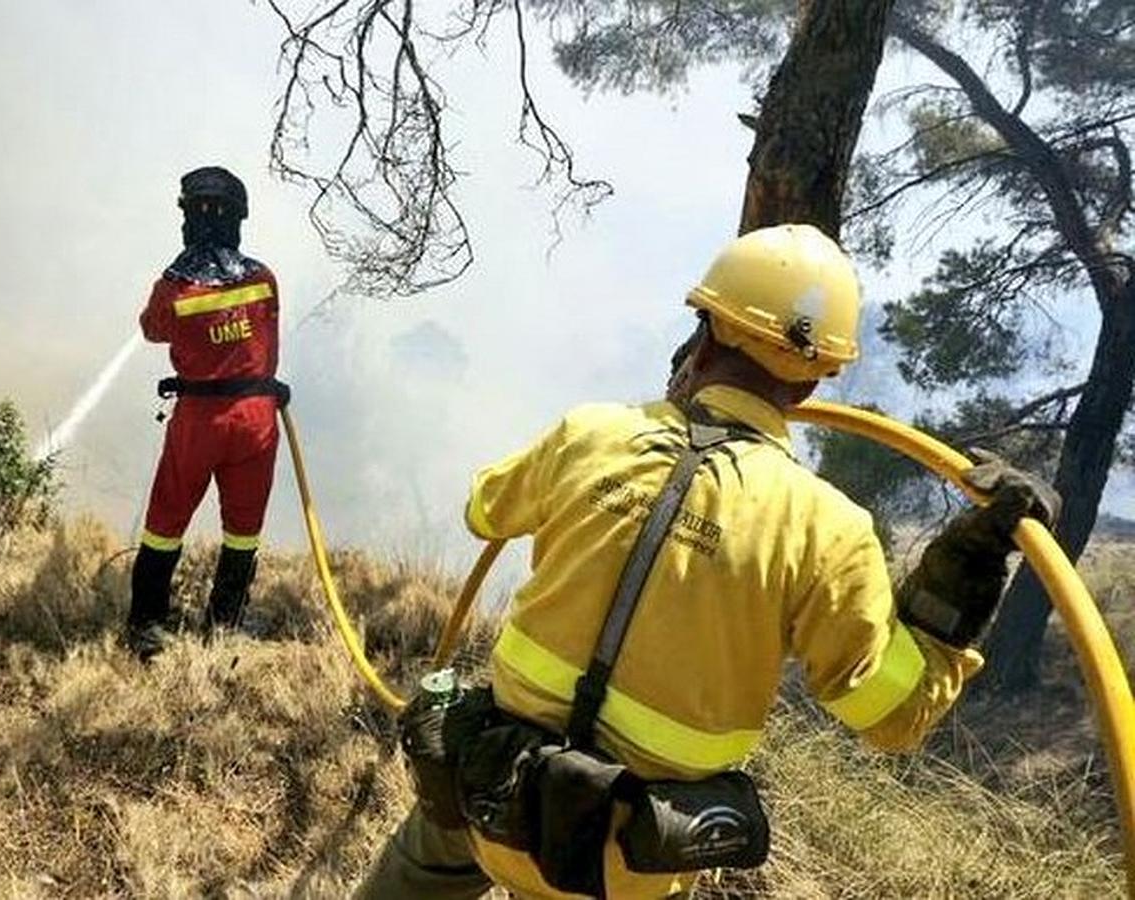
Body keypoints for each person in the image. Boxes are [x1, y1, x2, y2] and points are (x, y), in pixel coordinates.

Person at [356, 223, 1058, 899]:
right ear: (816, 383)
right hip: (623, 867)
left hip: (486, 805)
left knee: (423, 859)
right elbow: (892, 715)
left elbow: (485, 511)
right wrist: (964, 575)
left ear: (705, 328)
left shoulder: (593, 433)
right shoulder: (826, 529)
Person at [126, 166, 286, 662]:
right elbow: (259, 339)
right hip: (257, 419)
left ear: (189, 220)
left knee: (165, 522)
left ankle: (148, 626)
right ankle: (226, 620)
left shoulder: (174, 288)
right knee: (244, 528)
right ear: (238, 218)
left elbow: (153, 330)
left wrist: (177, 274)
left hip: (199, 421)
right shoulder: (262, 279)